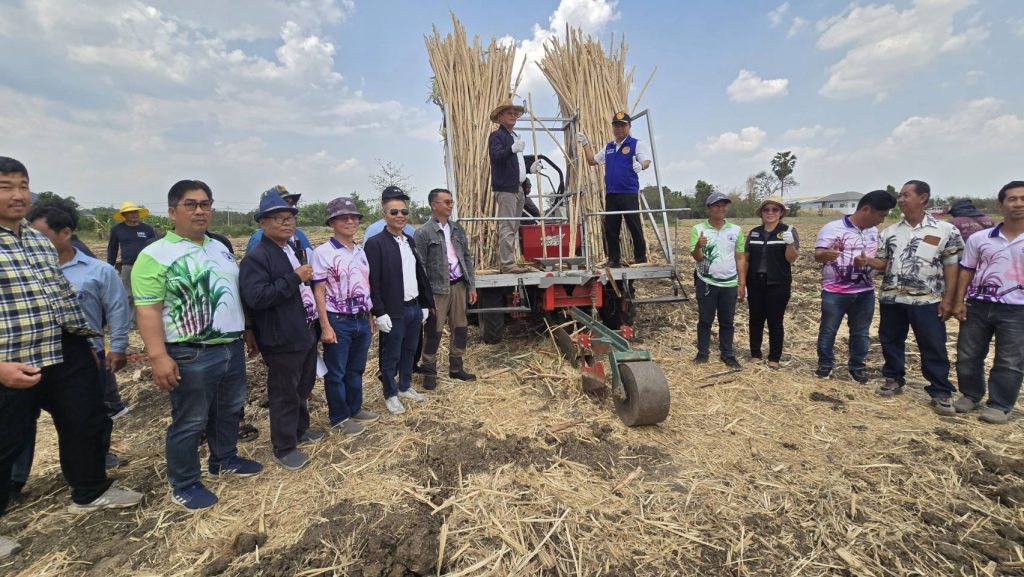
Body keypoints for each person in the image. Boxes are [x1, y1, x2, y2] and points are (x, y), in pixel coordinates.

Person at [0, 157, 142, 559]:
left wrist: (88, 343)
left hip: (64, 346)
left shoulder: (36, 240)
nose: (17, 195)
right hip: (11, 357)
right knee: (6, 441)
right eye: (5, 186)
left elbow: (61, 295)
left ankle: (90, 490)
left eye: (23, 185)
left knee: (85, 421)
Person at [133, 179, 262, 511]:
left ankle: (224, 459)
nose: (200, 210)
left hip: (229, 347)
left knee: (229, 409)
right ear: (172, 211)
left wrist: (247, 329)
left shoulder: (220, 247)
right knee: (190, 420)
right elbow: (147, 310)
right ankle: (184, 482)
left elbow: (233, 294)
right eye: (190, 204)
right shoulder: (155, 255)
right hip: (190, 352)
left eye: (205, 204)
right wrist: (158, 356)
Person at [12, 202, 132, 497]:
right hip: (25, 359)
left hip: (85, 356)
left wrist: (118, 347)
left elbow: (117, 310)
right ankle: (14, 481)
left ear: (65, 233)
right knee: (18, 424)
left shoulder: (98, 271)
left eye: (40, 235)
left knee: (87, 417)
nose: (32, 241)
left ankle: (92, 471)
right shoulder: (21, 271)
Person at [860, 181, 963, 415]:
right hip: (892, 297)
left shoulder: (945, 230)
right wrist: (867, 261)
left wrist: (949, 298)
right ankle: (893, 378)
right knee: (890, 340)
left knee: (932, 344)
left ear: (923, 198)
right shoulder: (890, 232)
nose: (901, 200)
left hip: (927, 300)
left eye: (906, 195)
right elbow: (883, 264)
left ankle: (940, 390)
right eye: (900, 195)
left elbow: (951, 266)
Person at [240, 193, 323, 471]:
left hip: (304, 329)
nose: (287, 223)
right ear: (263, 223)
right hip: (281, 336)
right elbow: (257, 297)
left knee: (303, 385)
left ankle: (299, 430)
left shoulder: (291, 249)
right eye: (279, 218)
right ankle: (284, 447)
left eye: (290, 218)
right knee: (284, 392)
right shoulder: (257, 257)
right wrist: (294, 278)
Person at [952, 181, 1024, 424]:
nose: (1018, 204)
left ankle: (1000, 405)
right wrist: (959, 301)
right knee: (968, 354)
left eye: (1023, 199)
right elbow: (966, 270)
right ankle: (970, 394)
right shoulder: (980, 238)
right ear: (1000, 205)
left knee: (1010, 360)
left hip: (1018, 310)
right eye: (1012, 199)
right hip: (978, 304)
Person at [813, 190, 897, 383]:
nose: (881, 220)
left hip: (865, 292)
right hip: (835, 292)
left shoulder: (873, 232)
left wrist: (867, 262)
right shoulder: (831, 228)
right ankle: (825, 364)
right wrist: (828, 255)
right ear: (866, 209)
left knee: (861, 332)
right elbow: (818, 255)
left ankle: (857, 367)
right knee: (828, 330)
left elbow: (880, 262)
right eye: (880, 215)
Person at [312, 197, 379, 435]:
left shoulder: (359, 251)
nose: (350, 221)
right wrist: (325, 325)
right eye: (343, 218)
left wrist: (369, 314)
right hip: (338, 320)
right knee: (337, 372)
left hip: (360, 318)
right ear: (332, 222)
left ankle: (354, 407)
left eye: (354, 217)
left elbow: (364, 284)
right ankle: (339, 416)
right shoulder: (322, 253)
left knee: (356, 368)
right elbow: (318, 291)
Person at [364, 196, 434, 415]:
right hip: (393, 310)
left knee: (410, 350)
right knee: (391, 354)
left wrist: (424, 303)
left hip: (413, 306)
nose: (400, 216)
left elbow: (418, 274)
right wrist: (379, 311)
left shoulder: (409, 241)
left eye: (404, 212)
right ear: (384, 215)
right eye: (394, 212)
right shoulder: (375, 243)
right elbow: (373, 281)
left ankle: (405, 386)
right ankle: (390, 393)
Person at [414, 188, 478, 389]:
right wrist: (425, 297)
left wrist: (471, 285)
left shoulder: (457, 229)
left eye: (451, 202)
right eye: (446, 202)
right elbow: (420, 266)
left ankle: (456, 368)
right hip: (436, 290)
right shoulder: (423, 233)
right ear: (434, 205)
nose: (450, 205)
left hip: (458, 285)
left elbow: (466, 257)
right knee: (434, 330)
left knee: (460, 327)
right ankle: (429, 371)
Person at [579, 111, 652, 267]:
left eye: (623, 125)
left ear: (629, 127)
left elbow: (646, 161)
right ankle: (613, 260)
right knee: (611, 228)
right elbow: (592, 161)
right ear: (612, 128)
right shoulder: (609, 147)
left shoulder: (636, 144)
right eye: (616, 125)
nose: (619, 129)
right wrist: (585, 144)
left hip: (628, 193)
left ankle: (641, 258)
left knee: (634, 226)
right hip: (611, 194)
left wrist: (641, 165)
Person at [690, 192, 746, 368]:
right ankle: (702, 353)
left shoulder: (736, 230)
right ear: (708, 208)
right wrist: (698, 246)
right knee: (705, 320)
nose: (721, 208)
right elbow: (697, 257)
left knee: (727, 321)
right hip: (706, 282)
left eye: (724, 205)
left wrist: (742, 283)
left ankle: (727, 354)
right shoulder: (698, 229)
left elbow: (740, 258)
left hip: (729, 283)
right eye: (716, 205)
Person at [744, 197, 798, 369]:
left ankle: (774, 357)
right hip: (755, 282)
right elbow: (746, 259)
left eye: (775, 210)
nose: (770, 213)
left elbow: (791, 259)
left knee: (775, 321)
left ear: (781, 213)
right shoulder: (754, 233)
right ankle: (755, 354)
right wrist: (742, 282)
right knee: (755, 320)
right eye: (766, 209)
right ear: (761, 213)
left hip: (778, 283)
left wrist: (790, 244)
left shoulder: (788, 231)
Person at [487, 99, 531, 274]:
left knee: (514, 226)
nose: (513, 116)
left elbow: (516, 164)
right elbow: (496, 156)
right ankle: (507, 264)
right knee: (507, 225)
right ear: (500, 117)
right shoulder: (497, 136)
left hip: (517, 187)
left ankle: (510, 261)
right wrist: (512, 149)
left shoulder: (513, 137)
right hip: (506, 188)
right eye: (509, 113)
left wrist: (529, 170)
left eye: (515, 113)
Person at [107, 201, 157, 326]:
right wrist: (110, 266)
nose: (134, 214)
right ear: (124, 215)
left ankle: (144, 320)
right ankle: (129, 321)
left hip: (146, 267)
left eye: (136, 212)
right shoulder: (117, 229)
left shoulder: (147, 229)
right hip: (128, 266)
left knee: (145, 294)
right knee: (128, 294)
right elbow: (112, 248)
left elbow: (155, 247)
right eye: (130, 213)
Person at [245, 186, 311, 254]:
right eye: (285, 202)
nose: (290, 206)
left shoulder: (298, 234)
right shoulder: (258, 240)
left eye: (292, 203)